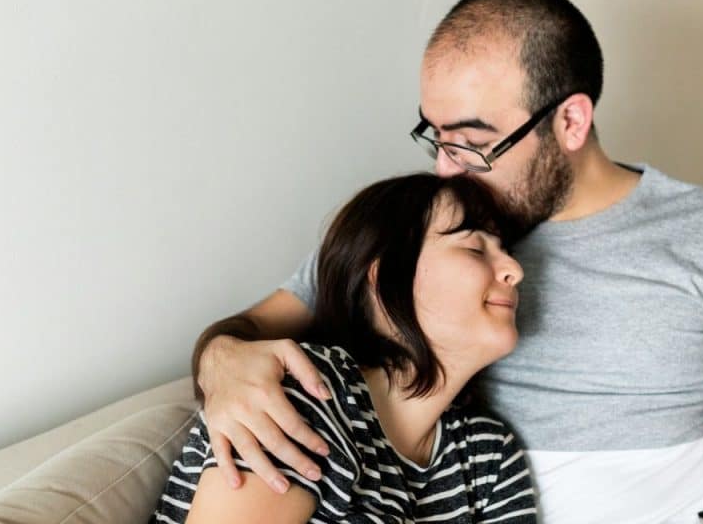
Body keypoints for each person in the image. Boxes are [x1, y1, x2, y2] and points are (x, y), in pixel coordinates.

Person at [191, 0, 703, 523]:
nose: (448, 170)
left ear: (571, 122)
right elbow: (252, 329)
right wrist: (220, 360)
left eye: (473, 141)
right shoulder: (422, 239)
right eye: (436, 137)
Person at [154, 173, 537, 523]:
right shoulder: (306, 390)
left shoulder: (488, 454)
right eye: (474, 248)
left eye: (505, 251)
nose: (514, 271)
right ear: (385, 274)